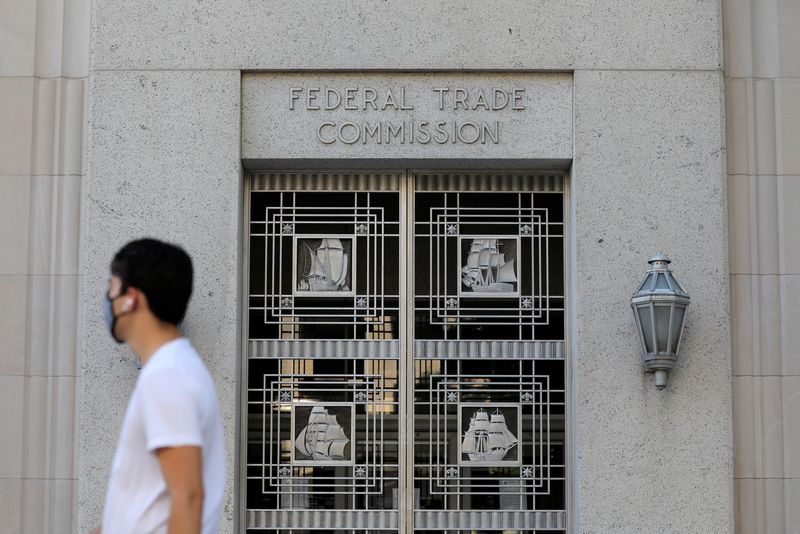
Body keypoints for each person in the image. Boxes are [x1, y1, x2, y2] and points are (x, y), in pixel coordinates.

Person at [93, 238, 224, 534]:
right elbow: (147, 504)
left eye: (112, 286)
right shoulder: (170, 370)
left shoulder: (168, 375)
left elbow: (188, 498)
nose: (107, 298)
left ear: (132, 298)